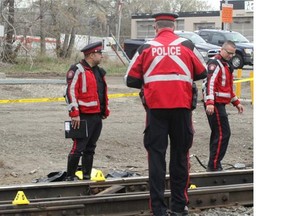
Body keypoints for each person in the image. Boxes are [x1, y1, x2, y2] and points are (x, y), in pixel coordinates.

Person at [124, 12, 207, 216]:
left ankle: (159, 209)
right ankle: (179, 207)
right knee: (180, 157)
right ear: (174, 25)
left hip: (156, 111)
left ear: (155, 27)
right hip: (182, 109)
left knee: (156, 159)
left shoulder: (146, 48)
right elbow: (203, 71)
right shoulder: (187, 45)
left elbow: (130, 79)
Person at [64, 41, 110, 181]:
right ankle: (70, 177)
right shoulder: (77, 70)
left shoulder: (99, 72)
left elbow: (101, 93)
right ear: (91, 55)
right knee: (78, 147)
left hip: (97, 116)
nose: (101, 56)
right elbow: (70, 92)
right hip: (83, 116)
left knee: (90, 148)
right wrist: (75, 113)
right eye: (99, 53)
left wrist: (104, 110)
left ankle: (86, 177)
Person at [202, 40, 244, 172]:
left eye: (233, 53)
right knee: (223, 133)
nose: (231, 56)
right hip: (215, 104)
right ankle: (214, 165)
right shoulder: (215, 63)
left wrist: (236, 101)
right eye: (229, 53)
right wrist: (210, 103)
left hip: (219, 103)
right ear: (222, 49)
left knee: (218, 134)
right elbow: (210, 83)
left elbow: (227, 87)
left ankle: (214, 164)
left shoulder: (225, 64)